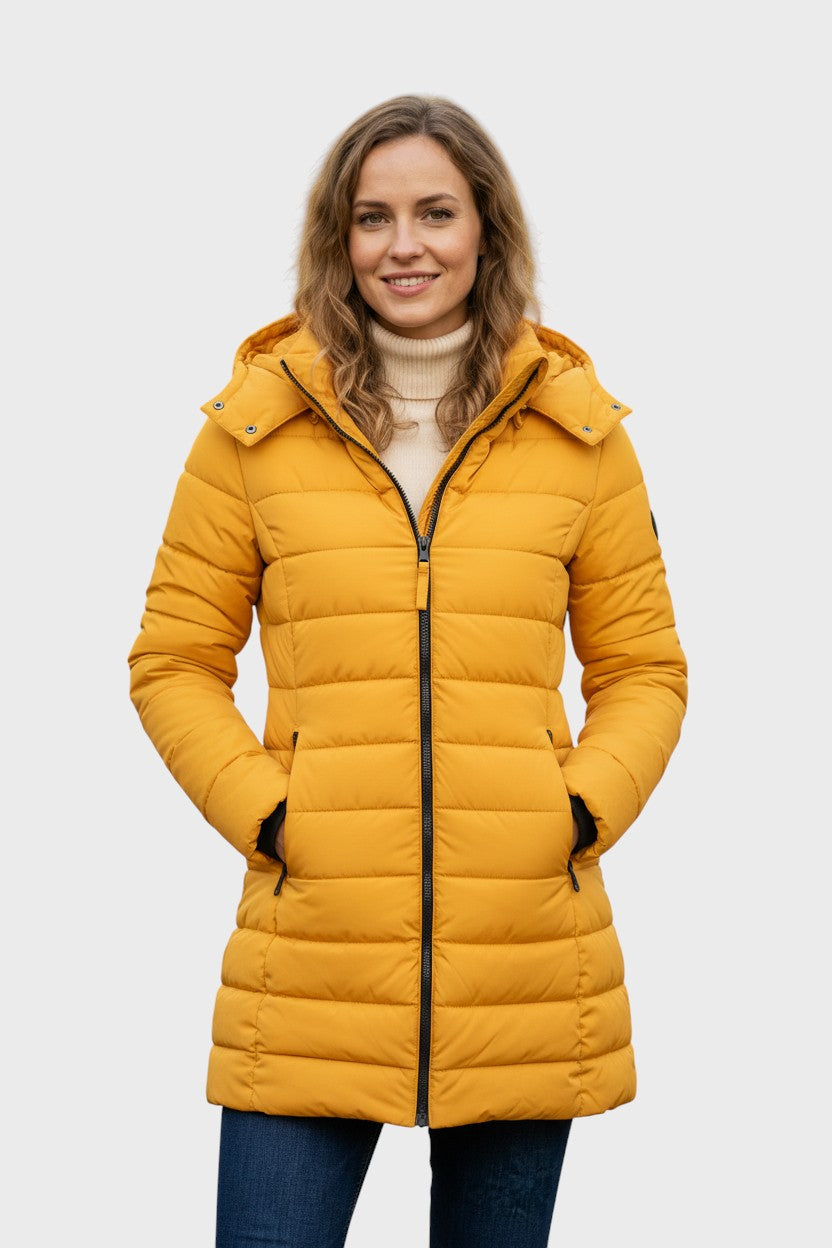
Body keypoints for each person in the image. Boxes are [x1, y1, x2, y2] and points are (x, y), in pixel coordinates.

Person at [127, 94, 688, 1248]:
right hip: (310, 953)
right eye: (371, 217)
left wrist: (576, 811)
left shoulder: (580, 433)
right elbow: (173, 659)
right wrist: (271, 814)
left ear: (486, 228)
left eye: (436, 212)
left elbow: (644, 668)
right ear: (337, 238)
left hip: (522, 961)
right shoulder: (251, 430)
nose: (404, 245)